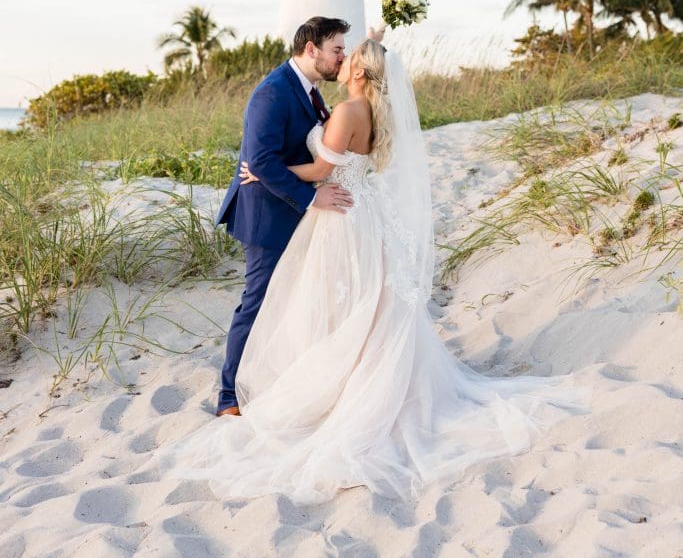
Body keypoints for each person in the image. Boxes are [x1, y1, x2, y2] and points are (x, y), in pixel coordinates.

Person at [160, 40, 586, 503]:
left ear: (361, 73)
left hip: (340, 217)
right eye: (338, 52)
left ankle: (323, 392)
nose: (341, 61)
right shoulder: (371, 112)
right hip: (360, 214)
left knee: (340, 304)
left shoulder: (346, 112)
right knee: (361, 303)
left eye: (349, 57)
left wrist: (265, 171)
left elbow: (324, 166)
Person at [213, 16, 353, 418]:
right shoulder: (272, 93)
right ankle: (229, 398)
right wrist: (313, 199)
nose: (340, 57)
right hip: (267, 216)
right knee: (256, 303)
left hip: (294, 211)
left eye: (343, 50)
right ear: (311, 49)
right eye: (336, 49)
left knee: (291, 301)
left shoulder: (309, 91)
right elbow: (259, 161)